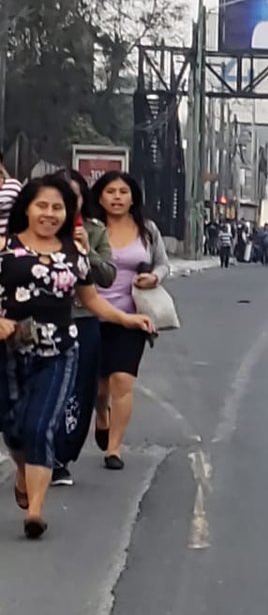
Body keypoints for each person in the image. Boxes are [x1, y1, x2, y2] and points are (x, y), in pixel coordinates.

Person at [2, 176, 154, 538]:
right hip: (8, 352)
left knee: (41, 426)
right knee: (13, 426)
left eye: (57, 207)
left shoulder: (75, 253)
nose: (49, 214)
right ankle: (22, 470)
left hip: (59, 350)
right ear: (27, 209)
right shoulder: (6, 247)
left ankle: (35, 511)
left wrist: (127, 319)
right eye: (42, 206)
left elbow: (91, 300)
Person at [91, 171, 170, 471]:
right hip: (92, 314)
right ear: (100, 197)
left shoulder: (147, 230)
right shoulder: (91, 229)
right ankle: (102, 414)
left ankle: (115, 448)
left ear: (133, 197)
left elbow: (163, 264)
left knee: (122, 381)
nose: (117, 197)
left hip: (132, 318)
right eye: (110, 192)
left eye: (123, 192)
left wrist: (155, 277)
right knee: (99, 387)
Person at [50, 169, 118, 488]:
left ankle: (61, 457)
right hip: (42, 320)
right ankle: (37, 451)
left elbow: (107, 277)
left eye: (72, 196)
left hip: (83, 319)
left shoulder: (94, 230)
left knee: (79, 389)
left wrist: (86, 248)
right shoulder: (33, 229)